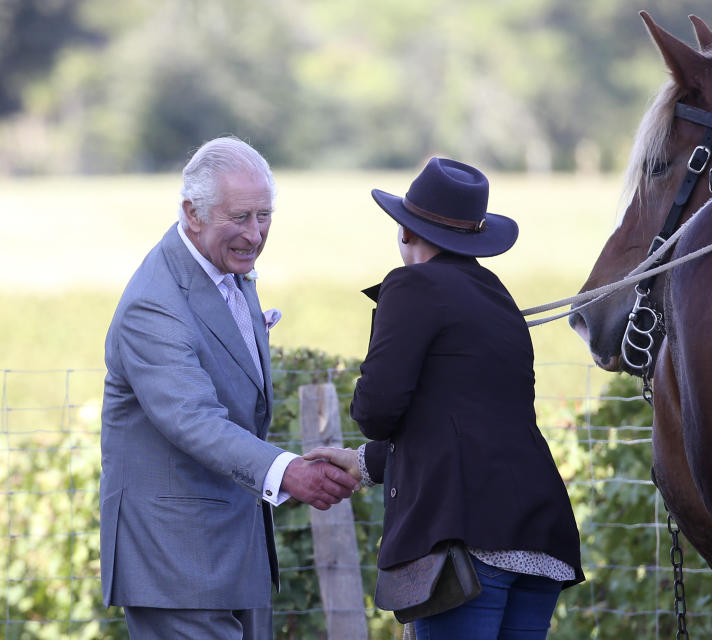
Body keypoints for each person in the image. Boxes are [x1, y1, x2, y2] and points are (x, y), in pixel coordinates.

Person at [310, 157, 584, 639]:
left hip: (465, 541)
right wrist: (365, 463)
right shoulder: (498, 297)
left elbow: (376, 411)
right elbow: (471, 421)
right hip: (540, 536)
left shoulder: (410, 286)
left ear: (406, 232)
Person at [99, 136, 359, 640]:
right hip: (175, 564)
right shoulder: (152, 306)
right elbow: (192, 419)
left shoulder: (226, 266)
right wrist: (287, 472)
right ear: (192, 213)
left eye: (265, 216)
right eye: (240, 217)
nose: (256, 234)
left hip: (234, 555)